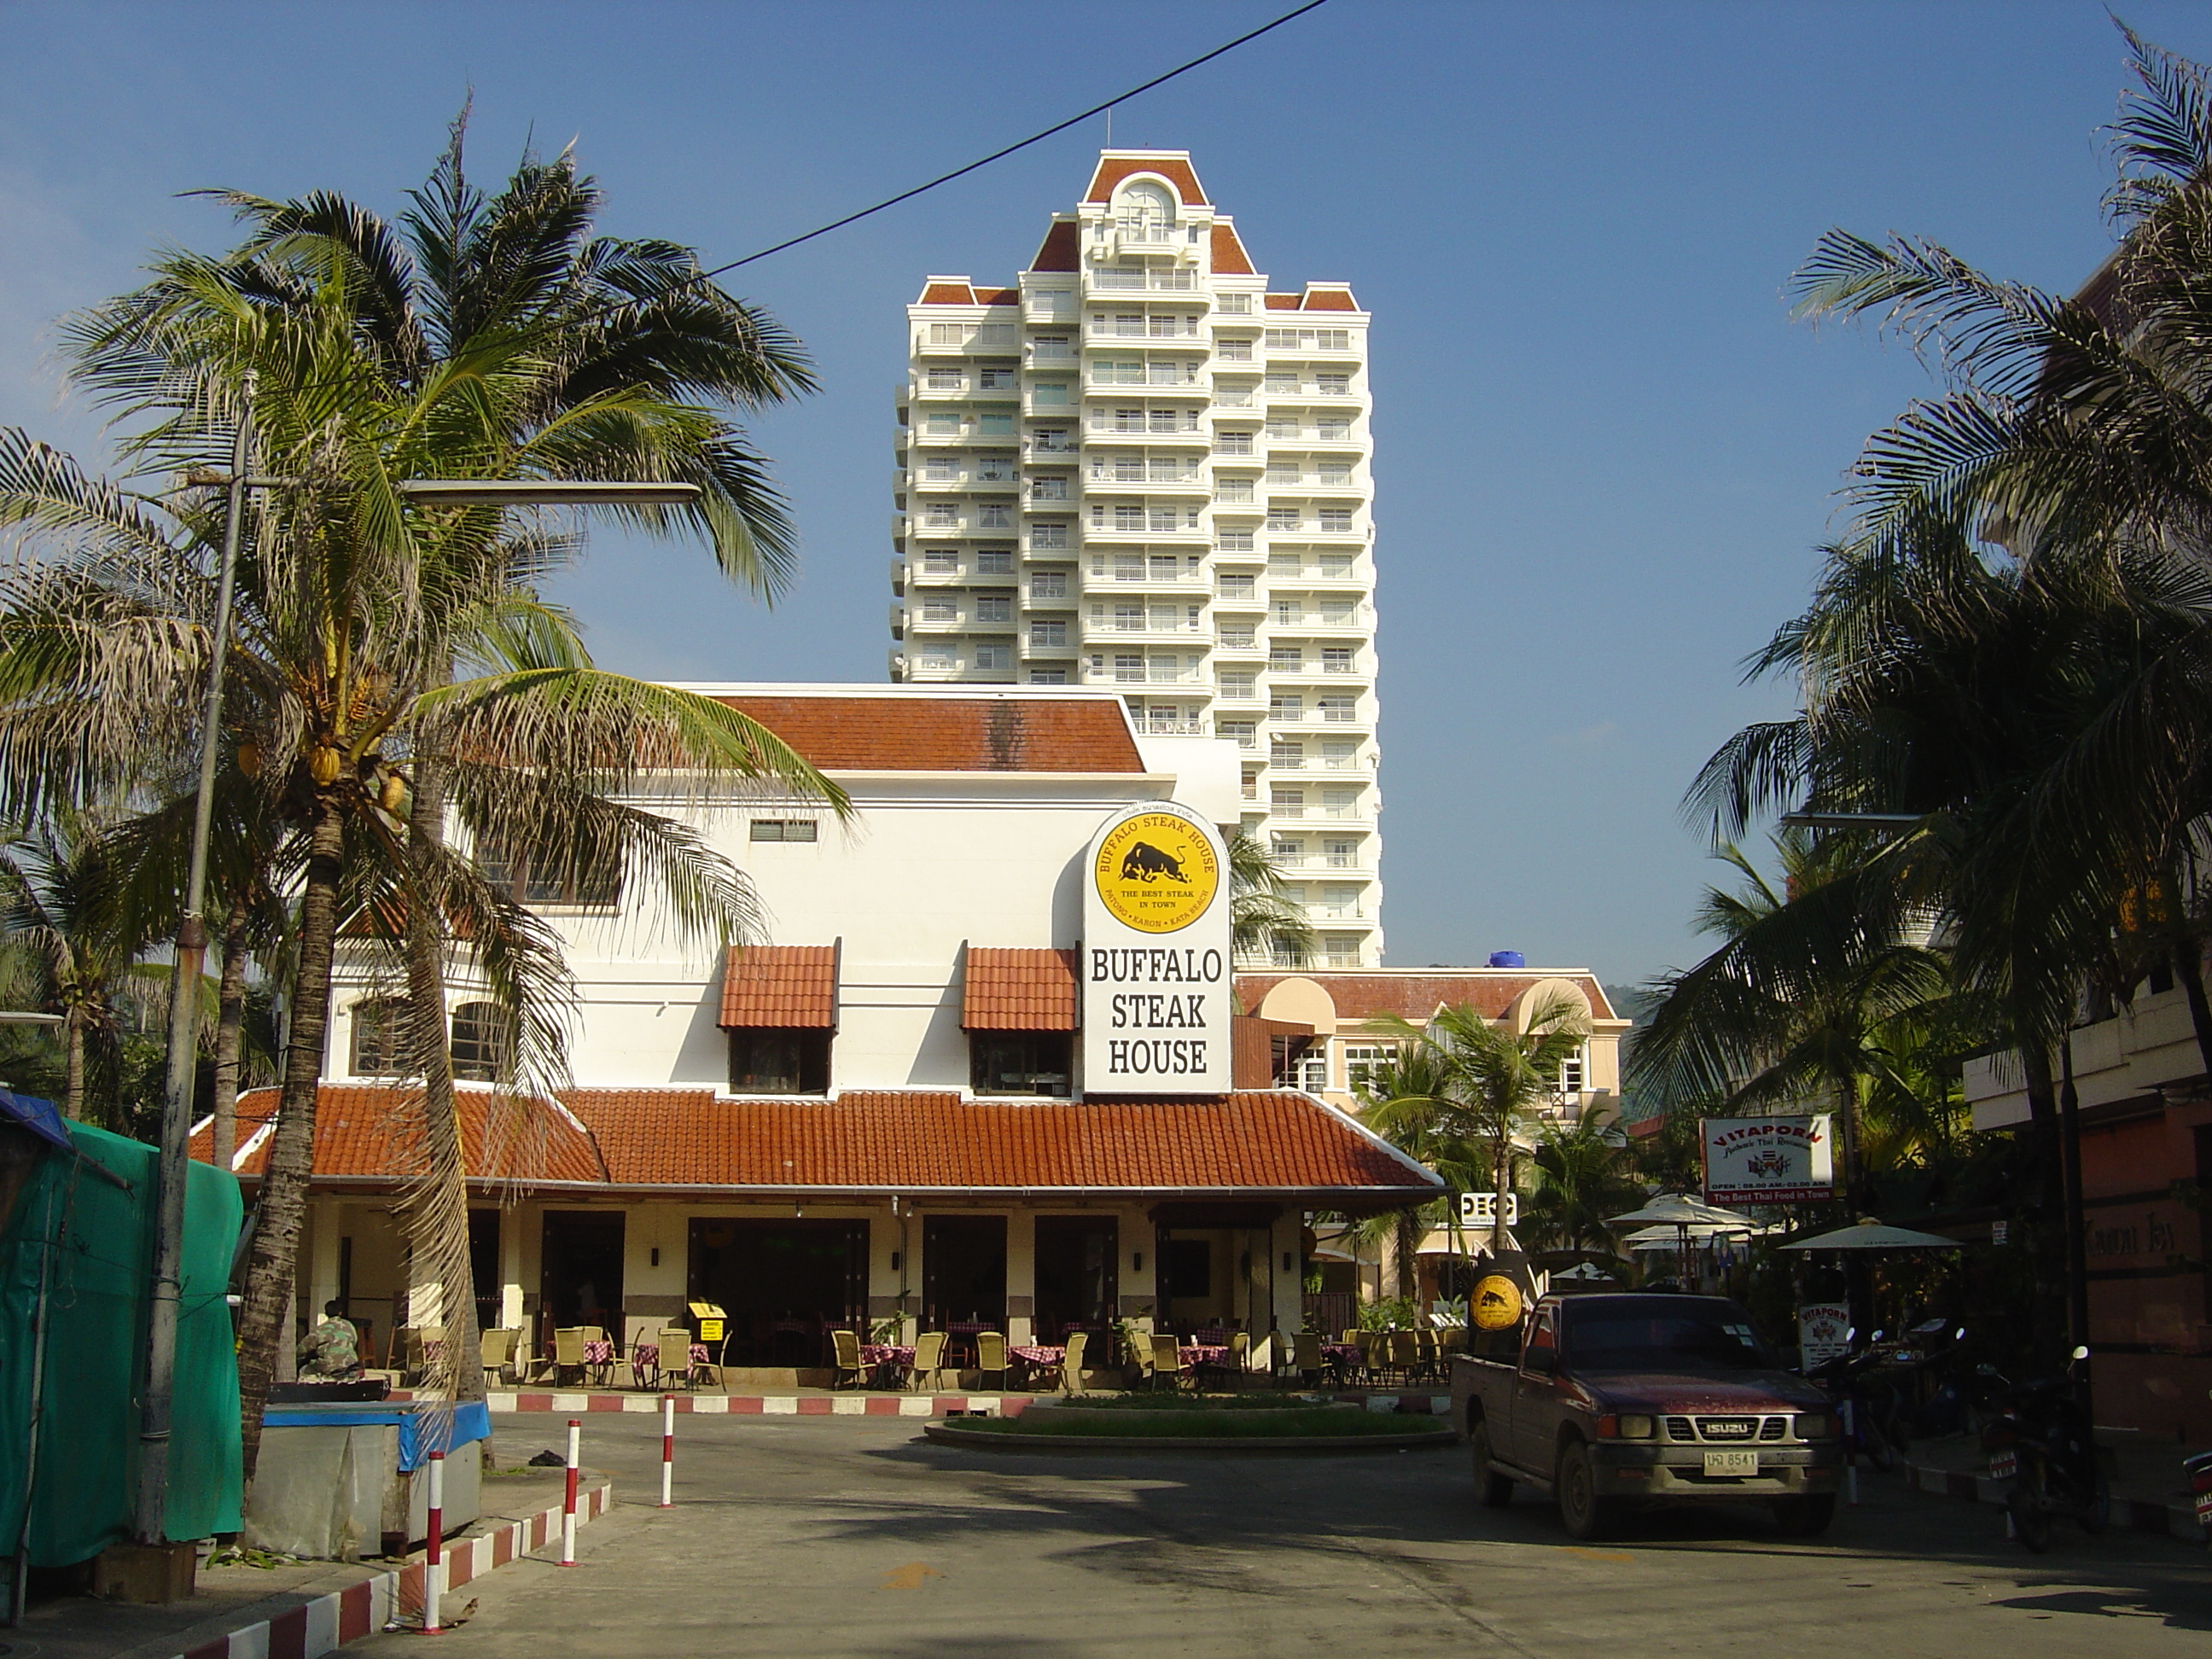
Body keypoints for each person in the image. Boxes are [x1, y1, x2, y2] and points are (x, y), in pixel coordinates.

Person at [298, 1300, 363, 1381]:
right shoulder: (349, 1325)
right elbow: (354, 1341)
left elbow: (304, 1347)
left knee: (304, 1370)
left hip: (330, 1366)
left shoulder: (321, 1329)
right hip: (351, 1363)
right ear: (340, 1313)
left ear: (326, 1314)